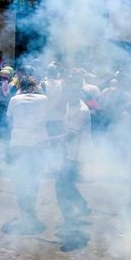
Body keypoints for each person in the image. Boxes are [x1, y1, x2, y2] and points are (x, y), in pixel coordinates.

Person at [5, 77, 48, 234]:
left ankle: (25, 213)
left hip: (18, 143)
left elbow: (9, 123)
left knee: (21, 179)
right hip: (37, 145)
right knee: (34, 178)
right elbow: (48, 119)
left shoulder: (14, 99)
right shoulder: (44, 99)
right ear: (36, 86)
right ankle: (31, 211)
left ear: (20, 87)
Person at [53, 80, 92, 226]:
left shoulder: (81, 110)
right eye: (68, 93)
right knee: (66, 183)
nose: (69, 95)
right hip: (70, 152)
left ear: (79, 94)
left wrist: (48, 140)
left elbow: (70, 135)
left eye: (73, 93)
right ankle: (81, 207)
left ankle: (70, 217)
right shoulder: (70, 104)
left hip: (77, 154)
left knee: (61, 184)